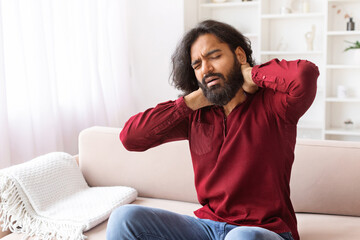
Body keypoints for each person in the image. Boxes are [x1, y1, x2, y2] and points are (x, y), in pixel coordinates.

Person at [106, 20, 319, 240]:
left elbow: (305, 75)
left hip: (263, 231)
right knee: (125, 217)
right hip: (207, 228)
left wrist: (251, 74)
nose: (206, 69)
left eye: (214, 57)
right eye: (197, 65)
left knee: (242, 238)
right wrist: (190, 102)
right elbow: (131, 138)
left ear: (239, 55)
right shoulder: (195, 114)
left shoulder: (274, 105)